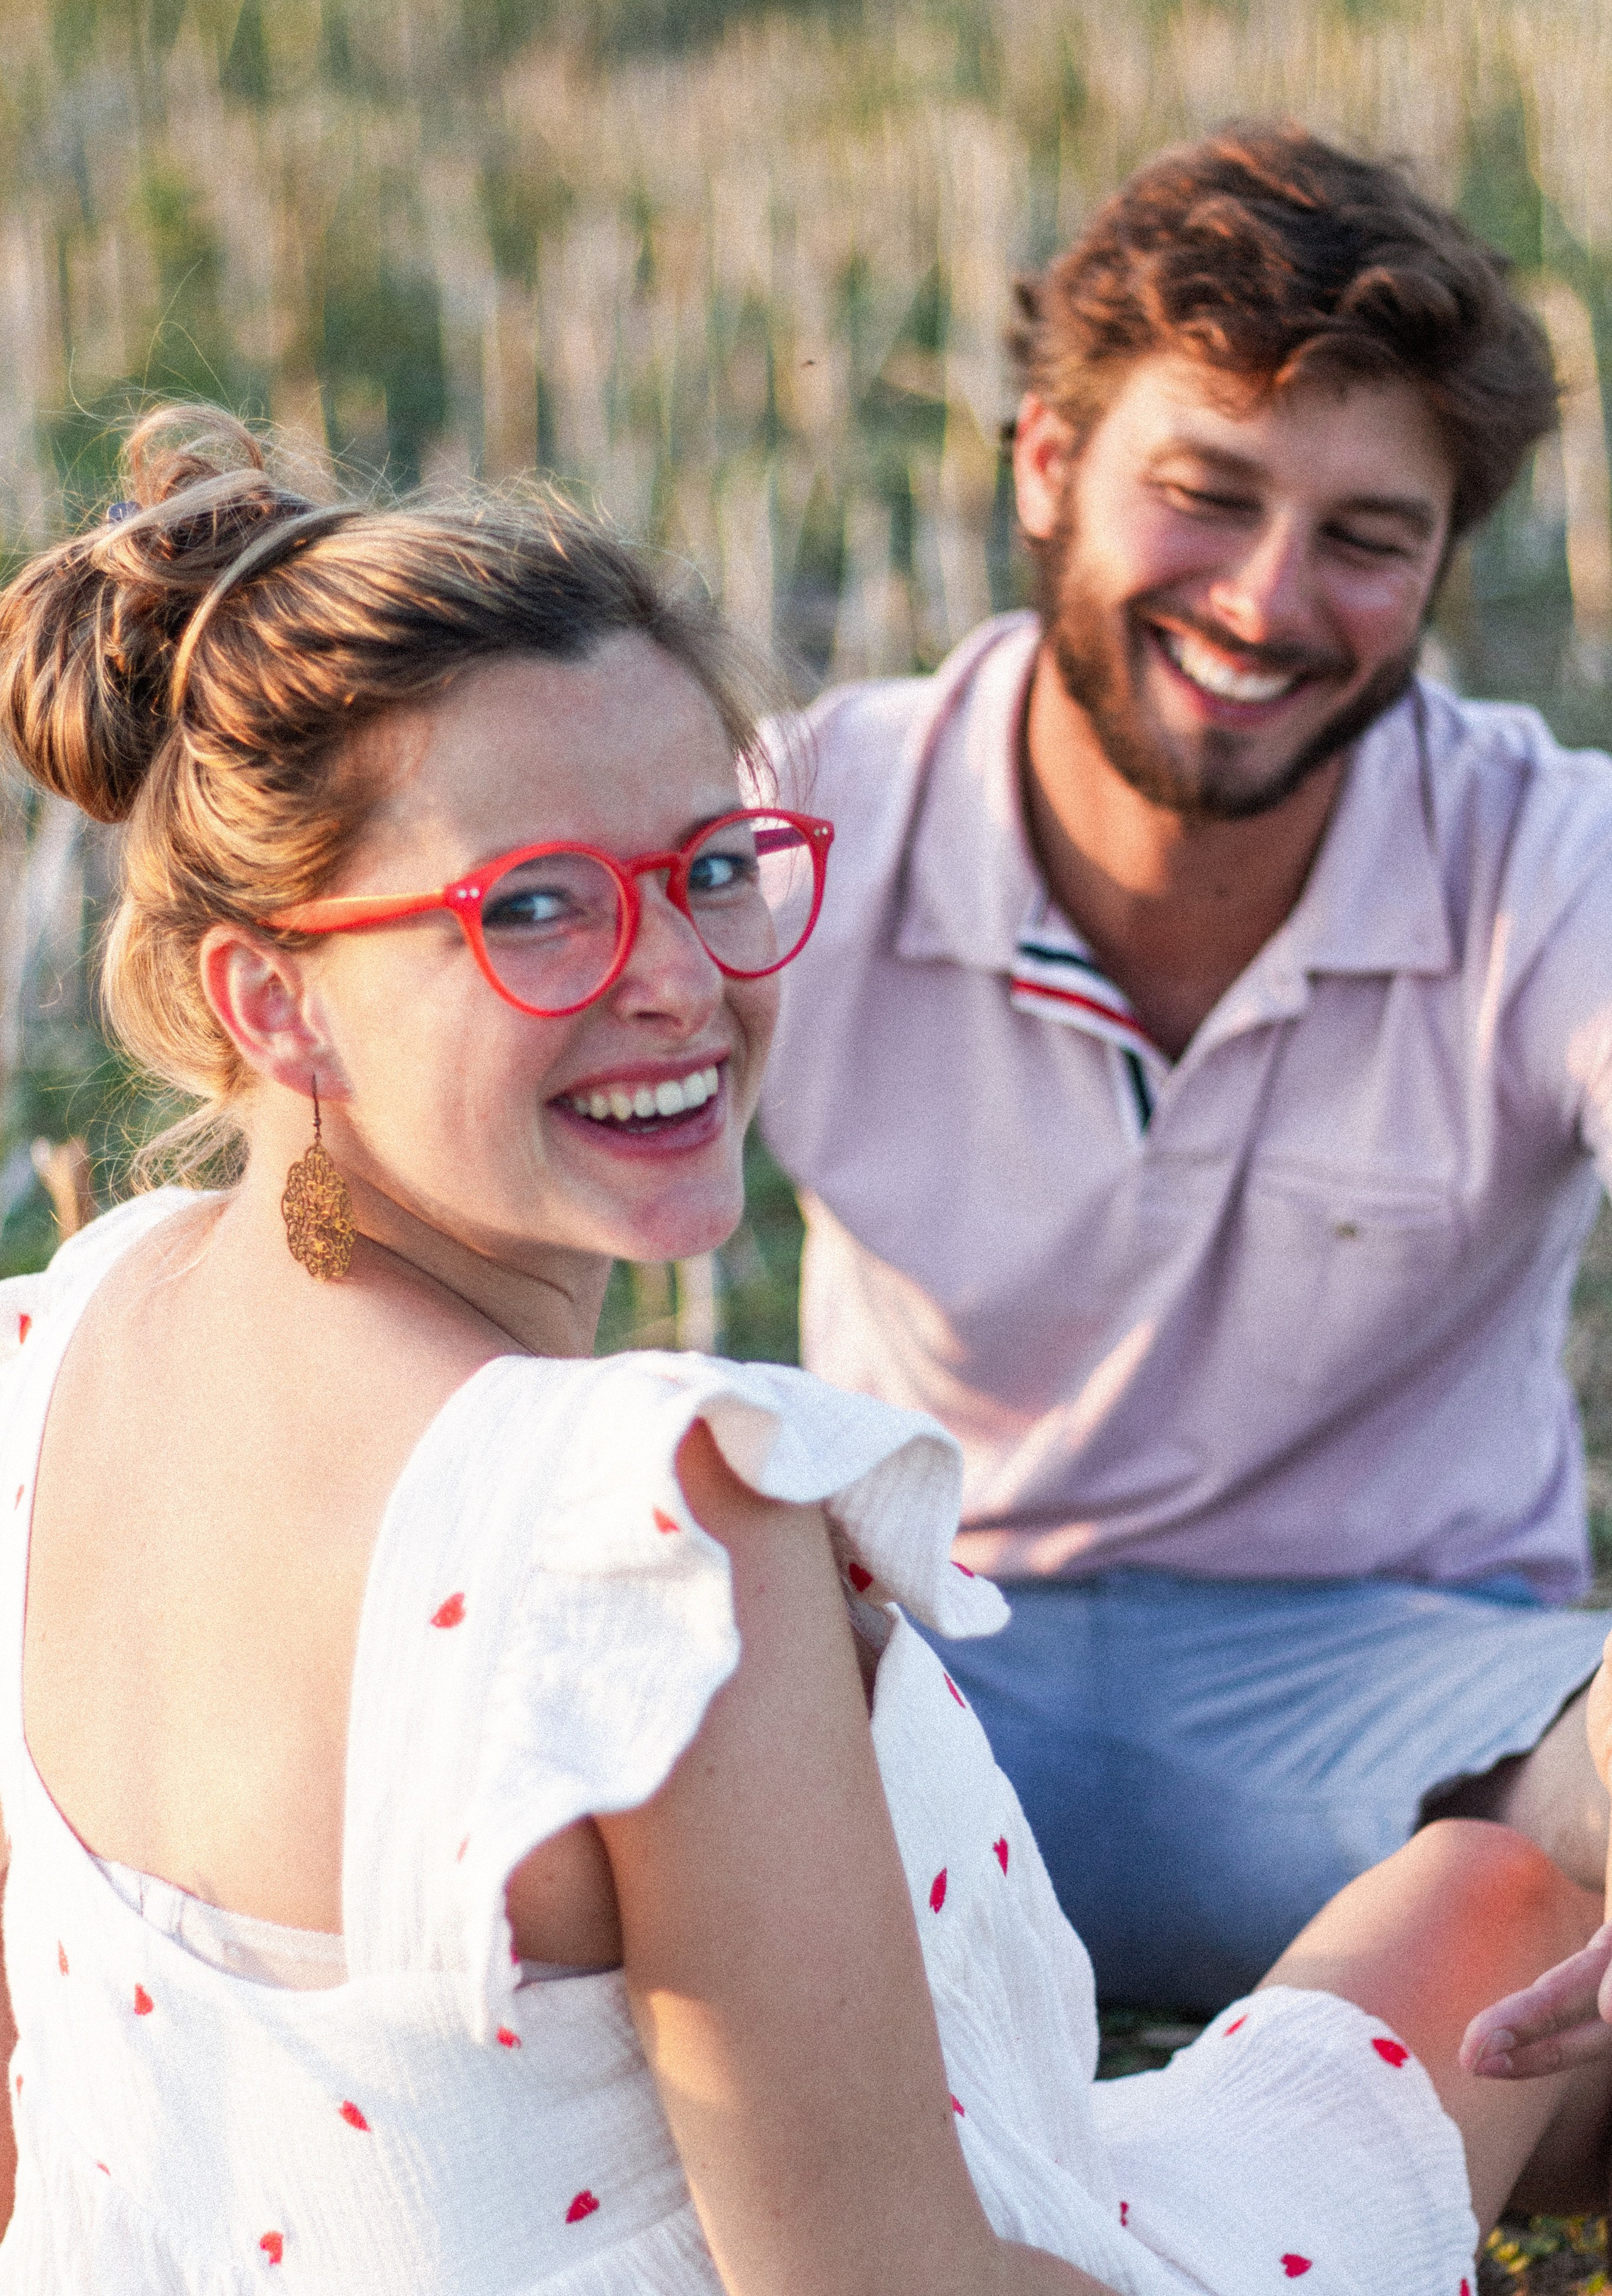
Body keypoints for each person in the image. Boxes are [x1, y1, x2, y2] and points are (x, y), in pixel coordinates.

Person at [0, 405, 1604, 2292]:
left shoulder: (63, 1338)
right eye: (532, 907)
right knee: (1506, 1905)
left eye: (711, 868)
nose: (676, 977)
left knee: (1480, 1899)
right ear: (267, 995)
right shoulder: (648, 1530)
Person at [759, 123, 1612, 2015]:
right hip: (910, 1660)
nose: (1264, 600)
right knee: (518, 1838)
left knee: (1560, 1908)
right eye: (1205, 494)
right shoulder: (810, 816)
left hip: (1415, 1709)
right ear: (1048, 465)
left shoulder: (1551, 862)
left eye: (1367, 539)